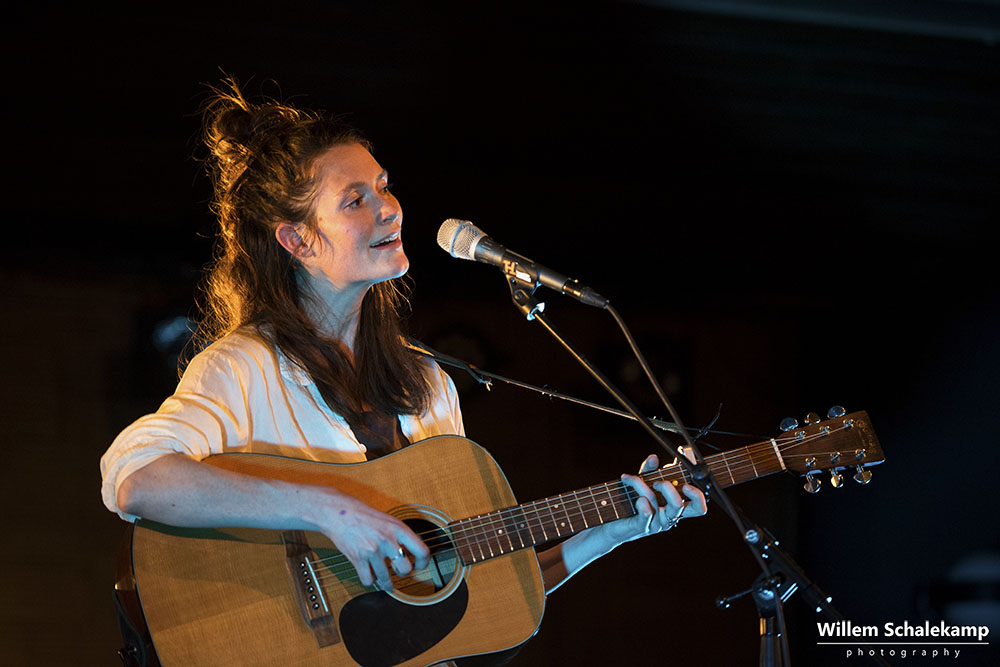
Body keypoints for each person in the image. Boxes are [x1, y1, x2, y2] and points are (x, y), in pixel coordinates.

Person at [100, 80, 707, 665]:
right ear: (297, 241)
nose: (389, 208)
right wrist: (328, 511)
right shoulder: (245, 367)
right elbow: (135, 480)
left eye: (383, 187)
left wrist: (613, 529)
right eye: (355, 200)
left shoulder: (428, 384)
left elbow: (473, 594)